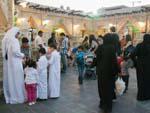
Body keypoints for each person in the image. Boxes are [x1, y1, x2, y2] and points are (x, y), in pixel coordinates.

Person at [95, 33, 120, 113]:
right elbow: (114, 61)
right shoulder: (112, 48)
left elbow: (96, 59)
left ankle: (102, 103)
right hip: (109, 72)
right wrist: (118, 70)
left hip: (100, 72)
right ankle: (108, 107)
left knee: (101, 88)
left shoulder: (100, 47)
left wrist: (92, 65)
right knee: (108, 89)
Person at [2, 27, 25, 104]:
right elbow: (16, 52)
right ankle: (17, 95)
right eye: (18, 33)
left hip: (9, 63)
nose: (18, 35)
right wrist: (22, 55)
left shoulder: (6, 40)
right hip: (15, 63)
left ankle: (11, 95)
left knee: (11, 78)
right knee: (17, 78)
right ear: (15, 33)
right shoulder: (15, 41)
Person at [131, 34, 150, 101]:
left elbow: (132, 54)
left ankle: (141, 96)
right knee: (148, 81)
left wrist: (136, 62)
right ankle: (148, 95)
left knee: (140, 81)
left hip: (140, 66)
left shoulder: (139, 45)